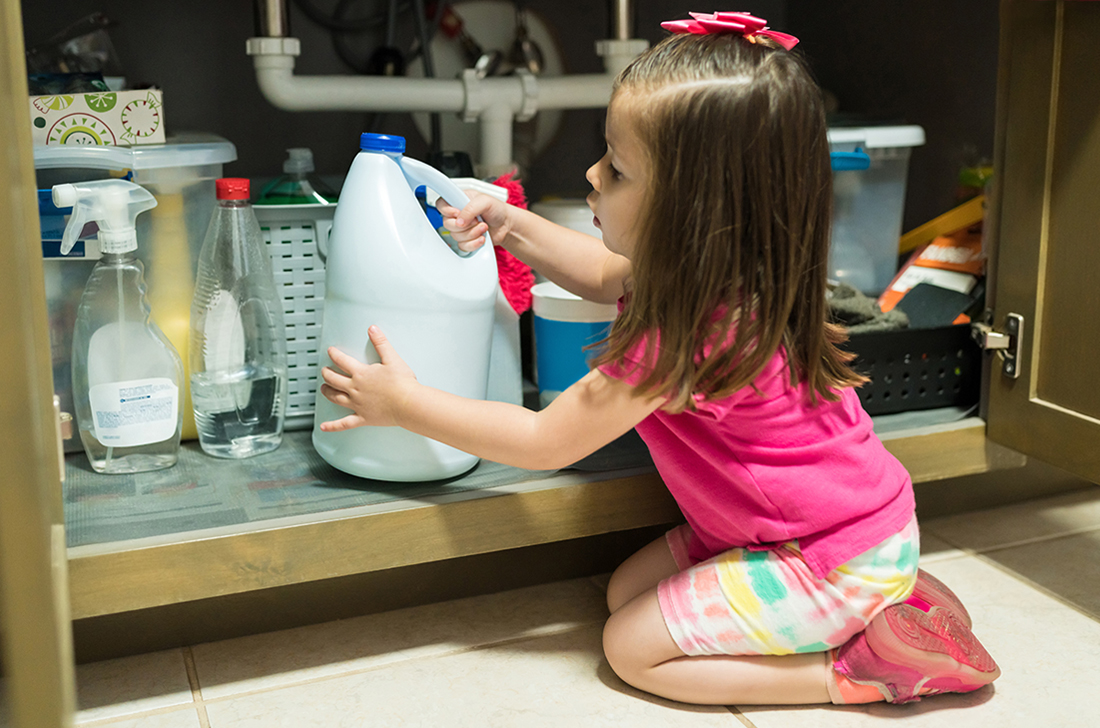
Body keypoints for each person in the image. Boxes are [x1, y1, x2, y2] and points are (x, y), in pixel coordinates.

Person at [318, 11, 1000, 707]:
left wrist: (402, 404)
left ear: (693, 212)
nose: (590, 173)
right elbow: (602, 273)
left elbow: (544, 440)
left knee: (632, 650)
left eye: (615, 169)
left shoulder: (684, 334)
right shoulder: (724, 275)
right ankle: (887, 600)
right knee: (622, 592)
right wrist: (509, 224)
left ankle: (860, 669)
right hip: (844, 529)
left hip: (823, 556)